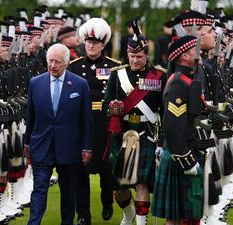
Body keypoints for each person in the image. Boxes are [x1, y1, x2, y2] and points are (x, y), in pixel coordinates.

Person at [103, 18, 166, 225]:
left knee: (142, 184)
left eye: (139, 56)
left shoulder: (159, 76)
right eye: (132, 56)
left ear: (146, 55)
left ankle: (140, 222)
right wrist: (113, 108)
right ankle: (128, 214)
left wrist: (163, 139)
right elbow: (105, 106)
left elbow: (164, 111)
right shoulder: (117, 75)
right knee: (118, 186)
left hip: (146, 134)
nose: (135, 60)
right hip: (122, 133)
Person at [25, 43, 92, 225]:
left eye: (57, 62)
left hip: (69, 148)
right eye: (50, 61)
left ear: (67, 63)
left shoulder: (80, 84)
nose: (53, 66)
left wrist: (87, 147)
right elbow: (30, 116)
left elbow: (86, 120)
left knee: (68, 192)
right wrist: (27, 143)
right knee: (39, 188)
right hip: (42, 145)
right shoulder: (35, 83)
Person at [68, 17, 120, 225]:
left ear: (103, 44)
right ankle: (83, 214)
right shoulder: (74, 66)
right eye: (88, 42)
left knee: (106, 169)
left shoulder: (114, 67)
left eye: (96, 43)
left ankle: (107, 201)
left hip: (104, 124)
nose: (91, 46)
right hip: (82, 124)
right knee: (81, 171)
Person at [152, 35, 204, 225]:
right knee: (174, 220)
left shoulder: (186, 79)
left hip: (186, 149)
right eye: (192, 52)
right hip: (179, 154)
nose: (196, 55)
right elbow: (173, 126)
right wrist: (186, 159)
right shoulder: (178, 83)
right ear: (183, 57)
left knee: (186, 216)